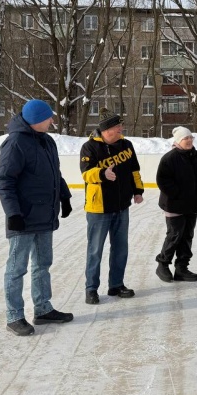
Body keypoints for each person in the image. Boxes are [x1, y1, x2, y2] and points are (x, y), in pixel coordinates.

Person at [0, 99, 74, 336]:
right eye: (49, 117)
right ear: (38, 120)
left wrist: (65, 196)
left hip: (44, 215)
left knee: (43, 264)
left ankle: (42, 309)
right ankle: (14, 316)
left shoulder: (47, 141)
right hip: (24, 217)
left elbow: (54, 174)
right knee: (16, 269)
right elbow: (4, 181)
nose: (52, 121)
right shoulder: (16, 143)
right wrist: (13, 214)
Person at [80, 108, 144, 305]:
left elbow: (134, 169)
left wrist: (138, 190)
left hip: (121, 206)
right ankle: (91, 289)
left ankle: (116, 284)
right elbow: (85, 173)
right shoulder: (89, 147)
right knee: (95, 250)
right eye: (117, 127)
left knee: (120, 248)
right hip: (98, 208)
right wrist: (101, 174)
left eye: (120, 126)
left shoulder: (126, 145)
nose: (120, 129)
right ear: (106, 130)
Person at [154, 126, 197, 282]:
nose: (189, 140)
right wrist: (178, 195)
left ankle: (181, 268)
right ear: (178, 140)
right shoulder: (169, 158)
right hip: (174, 205)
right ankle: (163, 264)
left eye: (191, 138)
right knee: (174, 234)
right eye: (186, 138)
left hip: (192, 204)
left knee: (187, 236)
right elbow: (163, 180)